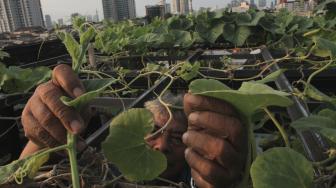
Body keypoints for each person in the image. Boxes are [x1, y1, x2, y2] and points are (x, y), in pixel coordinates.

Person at [20, 64, 247, 188]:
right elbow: (15, 182)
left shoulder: (201, 176)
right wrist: (42, 135)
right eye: (154, 132)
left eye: (178, 138)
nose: (162, 146)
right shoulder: (113, 169)